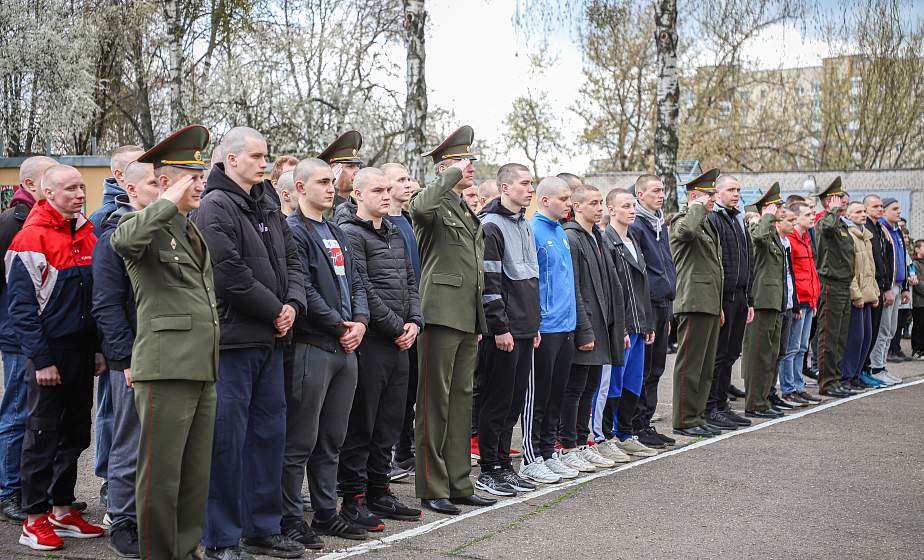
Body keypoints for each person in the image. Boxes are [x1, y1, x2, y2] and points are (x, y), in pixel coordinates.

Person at [194, 126, 307, 560]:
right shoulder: (215, 206)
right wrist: (274, 309)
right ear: (231, 159)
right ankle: (221, 538)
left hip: (271, 341)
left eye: (266, 157)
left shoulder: (268, 205)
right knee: (228, 441)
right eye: (257, 156)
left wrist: (293, 304)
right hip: (235, 343)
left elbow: (293, 260)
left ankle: (263, 527)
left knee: (269, 437)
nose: (264, 163)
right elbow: (227, 272)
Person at [110, 125, 217, 560]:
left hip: (201, 366)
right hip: (165, 365)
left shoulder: (189, 229)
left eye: (202, 175)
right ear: (170, 181)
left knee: (194, 476)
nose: (202, 184)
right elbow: (124, 242)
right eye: (194, 177)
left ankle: (186, 550)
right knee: (160, 475)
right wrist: (167, 199)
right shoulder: (138, 223)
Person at [7, 164, 107, 550]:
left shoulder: (88, 235)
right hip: (49, 354)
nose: (80, 194)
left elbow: (97, 301)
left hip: (82, 352)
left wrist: (98, 349)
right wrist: (42, 359)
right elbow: (21, 310)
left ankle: (62, 511)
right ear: (49, 194)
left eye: (82, 187)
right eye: (70, 189)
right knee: (42, 436)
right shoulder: (29, 239)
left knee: (76, 433)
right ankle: (34, 519)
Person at [280, 158, 368, 547]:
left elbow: (358, 282)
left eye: (332, 181)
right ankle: (289, 518)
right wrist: (338, 325)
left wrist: (361, 322)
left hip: (346, 349)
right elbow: (304, 290)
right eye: (321, 182)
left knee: (332, 437)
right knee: (300, 439)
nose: (331, 187)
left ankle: (326, 512)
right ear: (300, 188)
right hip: (313, 346)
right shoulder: (293, 231)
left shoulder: (336, 231)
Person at [410, 126, 495, 515]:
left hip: (465, 315)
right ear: (445, 166)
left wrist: (478, 318)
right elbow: (420, 207)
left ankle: (459, 481)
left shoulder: (461, 205)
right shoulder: (434, 200)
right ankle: (432, 485)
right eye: (464, 161)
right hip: (440, 313)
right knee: (434, 403)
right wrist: (448, 174)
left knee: (461, 402)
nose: (471, 167)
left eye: (471, 161)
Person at [335, 167, 423, 528]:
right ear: (357, 194)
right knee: (363, 423)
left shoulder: (395, 232)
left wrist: (415, 322)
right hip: (373, 342)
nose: (386, 196)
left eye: (388, 190)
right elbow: (363, 286)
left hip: (401, 341)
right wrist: (393, 326)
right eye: (377, 190)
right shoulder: (349, 234)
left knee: (389, 422)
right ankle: (353, 499)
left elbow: (411, 281)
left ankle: (379, 491)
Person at [91, 159, 160, 556]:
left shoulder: (174, 233)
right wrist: (123, 359)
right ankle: (123, 519)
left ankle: (155, 516)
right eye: (152, 183)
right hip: (133, 359)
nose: (159, 188)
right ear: (131, 190)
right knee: (130, 441)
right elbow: (107, 305)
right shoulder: (115, 238)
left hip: (171, 357)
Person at [474, 163, 543, 496]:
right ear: (504, 188)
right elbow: (490, 282)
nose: (531, 190)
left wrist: (534, 325)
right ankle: (489, 469)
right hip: (503, 332)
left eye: (532, 184)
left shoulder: (524, 224)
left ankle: (505, 465)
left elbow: (531, 278)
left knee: (514, 402)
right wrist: (499, 327)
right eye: (525, 184)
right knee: (496, 401)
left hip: (525, 328)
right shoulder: (490, 226)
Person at [0, 155, 56, 524]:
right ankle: (8, 491)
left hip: (45, 336)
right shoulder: (11, 222)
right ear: (33, 185)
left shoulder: (52, 223)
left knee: (41, 416)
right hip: (18, 336)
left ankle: (35, 490)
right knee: (18, 413)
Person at [89, 144, 145, 510]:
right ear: (127, 181)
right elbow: (105, 299)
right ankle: (118, 504)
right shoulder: (108, 226)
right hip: (123, 352)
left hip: (155, 350)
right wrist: (119, 355)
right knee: (119, 425)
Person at [518, 176, 578, 484]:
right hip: (546, 327)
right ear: (545, 201)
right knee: (538, 396)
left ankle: (548, 450)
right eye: (564, 199)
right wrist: (537, 320)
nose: (569, 204)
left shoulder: (561, 232)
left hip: (566, 325)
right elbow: (532, 281)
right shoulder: (534, 231)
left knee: (557, 394)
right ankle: (531, 457)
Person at [562, 185, 626, 470]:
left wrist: (618, 327)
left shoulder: (597, 237)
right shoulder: (572, 238)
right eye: (593, 203)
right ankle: (568, 445)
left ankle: (581, 440)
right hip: (584, 327)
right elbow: (574, 288)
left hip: (601, 325)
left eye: (601, 202)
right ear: (576, 206)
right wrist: (584, 330)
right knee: (574, 388)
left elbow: (609, 285)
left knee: (590, 388)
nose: (599, 208)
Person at [593, 187, 656, 457]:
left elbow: (642, 287)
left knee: (634, 381)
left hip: (639, 326)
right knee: (613, 383)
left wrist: (648, 323)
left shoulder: (634, 241)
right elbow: (610, 290)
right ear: (611, 210)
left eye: (633, 206)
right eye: (625, 206)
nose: (631, 210)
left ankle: (625, 433)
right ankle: (605, 437)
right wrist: (619, 328)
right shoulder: (607, 242)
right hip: (623, 327)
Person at [669, 168, 724, 438]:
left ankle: (697, 415)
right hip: (692, 301)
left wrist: (719, 306)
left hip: (709, 302)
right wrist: (695, 208)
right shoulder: (683, 220)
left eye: (714, 193)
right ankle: (684, 418)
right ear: (693, 197)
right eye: (708, 194)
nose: (713, 198)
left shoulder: (705, 222)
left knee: (704, 366)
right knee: (690, 364)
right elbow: (687, 232)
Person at [628, 175, 677, 449]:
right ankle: (635, 424)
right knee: (643, 368)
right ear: (640, 193)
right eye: (655, 190)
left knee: (657, 367)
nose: (661, 195)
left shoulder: (660, 223)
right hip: (647, 305)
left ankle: (645, 421)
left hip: (663, 304)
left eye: (662, 190)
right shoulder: (636, 225)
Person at [381, 163, 421, 473]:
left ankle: (404, 449)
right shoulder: (382, 224)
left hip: (413, 316)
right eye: (400, 180)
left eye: (409, 179)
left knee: (410, 390)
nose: (408, 185)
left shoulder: (407, 220)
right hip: (389, 321)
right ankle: (390, 452)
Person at [705, 175, 754, 429]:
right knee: (719, 354)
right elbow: (716, 262)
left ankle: (722, 403)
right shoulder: (715, 219)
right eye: (730, 190)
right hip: (725, 297)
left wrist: (750, 298)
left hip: (740, 297)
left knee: (732, 352)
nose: (736, 194)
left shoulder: (738, 219)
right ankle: (711, 406)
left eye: (738, 190)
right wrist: (720, 301)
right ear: (717, 192)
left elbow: (749, 258)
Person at [741, 183, 787, 419]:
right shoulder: (758, 227)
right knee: (757, 355)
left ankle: (764, 399)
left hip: (773, 301)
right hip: (760, 300)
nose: (782, 210)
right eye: (778, 206)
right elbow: (756, 238)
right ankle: (754, 403)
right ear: (767, 208)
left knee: (770, 354)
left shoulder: (771, 233)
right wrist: (766, 217)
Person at [813, 177, 856, 398]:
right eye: (838, 198)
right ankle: (827, 382)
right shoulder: (825, 222)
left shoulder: (841, 223)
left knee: (840, 336)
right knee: (828, 336)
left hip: (843, 284)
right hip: (830, 284)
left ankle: (836, 378)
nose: (843, 202)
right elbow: (827, 228)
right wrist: (832, 210)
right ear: (828, 202)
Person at [779, 202, 822, 405]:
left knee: (803, 346)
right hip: (799, 301)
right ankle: (788, 388)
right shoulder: (792, 240)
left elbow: (811, 271)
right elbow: (792, 275)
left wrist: (814, 300)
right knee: (792, 347)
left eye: (812, 214)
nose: (812, 217)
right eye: (807, 214)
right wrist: (795, 303)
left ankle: (798, 385)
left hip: (809, 299)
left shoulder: (806, 238)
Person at [868, 197, 910, 385]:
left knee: (891, 330)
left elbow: (903, 258)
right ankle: (876, 368)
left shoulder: (897, 230)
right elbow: (884, 261)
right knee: (883, 329)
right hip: (888, 286)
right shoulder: (883, 230)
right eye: (894, 208)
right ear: (885, 211)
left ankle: (882, 365)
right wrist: (887, 288)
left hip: (898, 285)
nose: (899, 211)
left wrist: (905, 286)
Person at [839, 202, 880, 389]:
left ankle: (855, 374)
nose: (863, 214)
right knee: (855, 338)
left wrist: (875, 292)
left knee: (866, 337)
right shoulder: (849, 236)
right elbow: (850, 270)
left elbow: (870, 268)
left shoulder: (866, 237)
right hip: (857, 297)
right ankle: (846, 375)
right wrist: (856, 295)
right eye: (858, 212)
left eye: (864, 211)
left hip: (868, 294)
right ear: (848, 216)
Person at [861, 195, 891, 387]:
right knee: (866, 333)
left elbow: (885, 260)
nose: (880, 209)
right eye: (875, 206)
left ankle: (866, 369)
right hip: (871, 286)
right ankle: (862, 370)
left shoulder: (880, 229)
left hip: (879, 286)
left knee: (873, 332)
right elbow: (873, 262)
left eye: (881, 206)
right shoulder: (867, 229)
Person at [88, 145, 145, 229]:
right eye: (139, 166)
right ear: (120, 175)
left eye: (148, 163)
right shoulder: (99, 218)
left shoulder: (155, 204)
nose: (148, 169)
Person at [318, 130, 363, 213]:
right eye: (350, 166)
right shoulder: (319, 206)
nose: (358, 171)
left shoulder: (360, 205)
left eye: (358, 166)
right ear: (333, 171)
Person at [911, 240, 924, 359]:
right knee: (918, 326)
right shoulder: (914, 264)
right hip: (919, 302)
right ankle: (916, 350)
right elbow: (917, 283)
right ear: (917, 249)